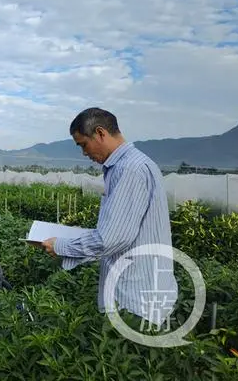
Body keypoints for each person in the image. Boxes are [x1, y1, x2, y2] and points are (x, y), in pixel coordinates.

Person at [41, 107, 178, 328]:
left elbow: (111, 239)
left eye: (83, 144)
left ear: (100, 133)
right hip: (142, 292)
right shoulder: (132, 165)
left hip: (134, 300)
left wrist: (62, 246)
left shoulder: (128, 169)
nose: (84, 153)